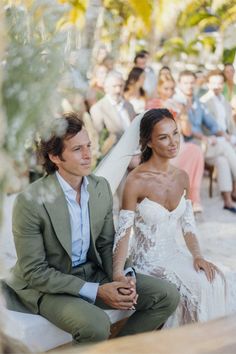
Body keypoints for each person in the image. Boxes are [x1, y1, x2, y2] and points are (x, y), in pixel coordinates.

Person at [3, 112, 180, 343]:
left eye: (88, 146)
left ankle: (119, 350)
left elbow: (106, 243)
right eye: (77, 150)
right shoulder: (30, 201)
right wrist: (95, 290)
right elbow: (35, 272)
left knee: (167, 296)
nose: (88, 155)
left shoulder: (100, 188)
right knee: (97, 325)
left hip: (92, 271)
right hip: (49, 286)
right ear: (55, 157)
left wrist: (121, 276)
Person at [111, 108, 236, 327]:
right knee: (195, 288)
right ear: (149, 142)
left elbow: (188, 226)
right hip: (148, 263)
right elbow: (123, 233)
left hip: (175, 254)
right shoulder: (135, 181)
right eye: (163, 137)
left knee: (217, 279)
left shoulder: (181, 177)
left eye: (175, 133)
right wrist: (118, 273)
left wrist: (197, 256)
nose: (173, 142)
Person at [174, 70, 236, 213]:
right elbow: (185, 130)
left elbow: (212, 124)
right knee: (225, 146)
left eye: (191, 82)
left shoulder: (197, 102)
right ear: (180, 84)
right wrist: (205, 138)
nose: (189, 85)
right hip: (189, 144)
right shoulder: (177, 102)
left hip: (203, 144)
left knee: (222, 160)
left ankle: (228, 201)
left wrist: (222, 134)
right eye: (186, 83)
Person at [146, 74, 204, 212]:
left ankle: (193, 197)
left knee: (195, 150)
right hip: (161, 147)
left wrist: (183, 114)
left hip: (179, 144)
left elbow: (188, 132)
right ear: (159, 89)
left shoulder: (179, 104)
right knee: (188, 151)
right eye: (166, 88)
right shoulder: (153, 104)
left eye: (172, 88)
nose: (169, 92)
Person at [90, 70, 136, 156]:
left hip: (134, 152)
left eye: (121, 86)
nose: (118, 90)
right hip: (112, 156)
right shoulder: (98, 109)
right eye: (114, 86)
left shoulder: (129, 106)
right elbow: (98, 140)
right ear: (106, 88)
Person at [201, 69, 236, 143]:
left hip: (228, 136)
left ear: (223, 84)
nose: (217, 86)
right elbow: (206, 127)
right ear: (208, 84)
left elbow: (231, 123)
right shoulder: (204, 101)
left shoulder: (225, 101)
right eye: (213, 83)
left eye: (220, 83)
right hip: (214, 138)